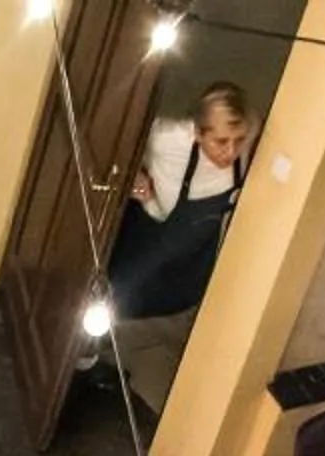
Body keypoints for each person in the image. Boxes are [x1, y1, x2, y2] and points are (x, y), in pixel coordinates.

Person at [105, 84, 260, 322]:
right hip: (149, 237)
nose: (231, 153)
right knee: (113, 297)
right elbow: (119, 137)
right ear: (198, 133)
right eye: (220, 142)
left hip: (190, 263)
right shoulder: (168, 139)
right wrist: (135, 174)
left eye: (238, 140)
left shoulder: (249, 148)